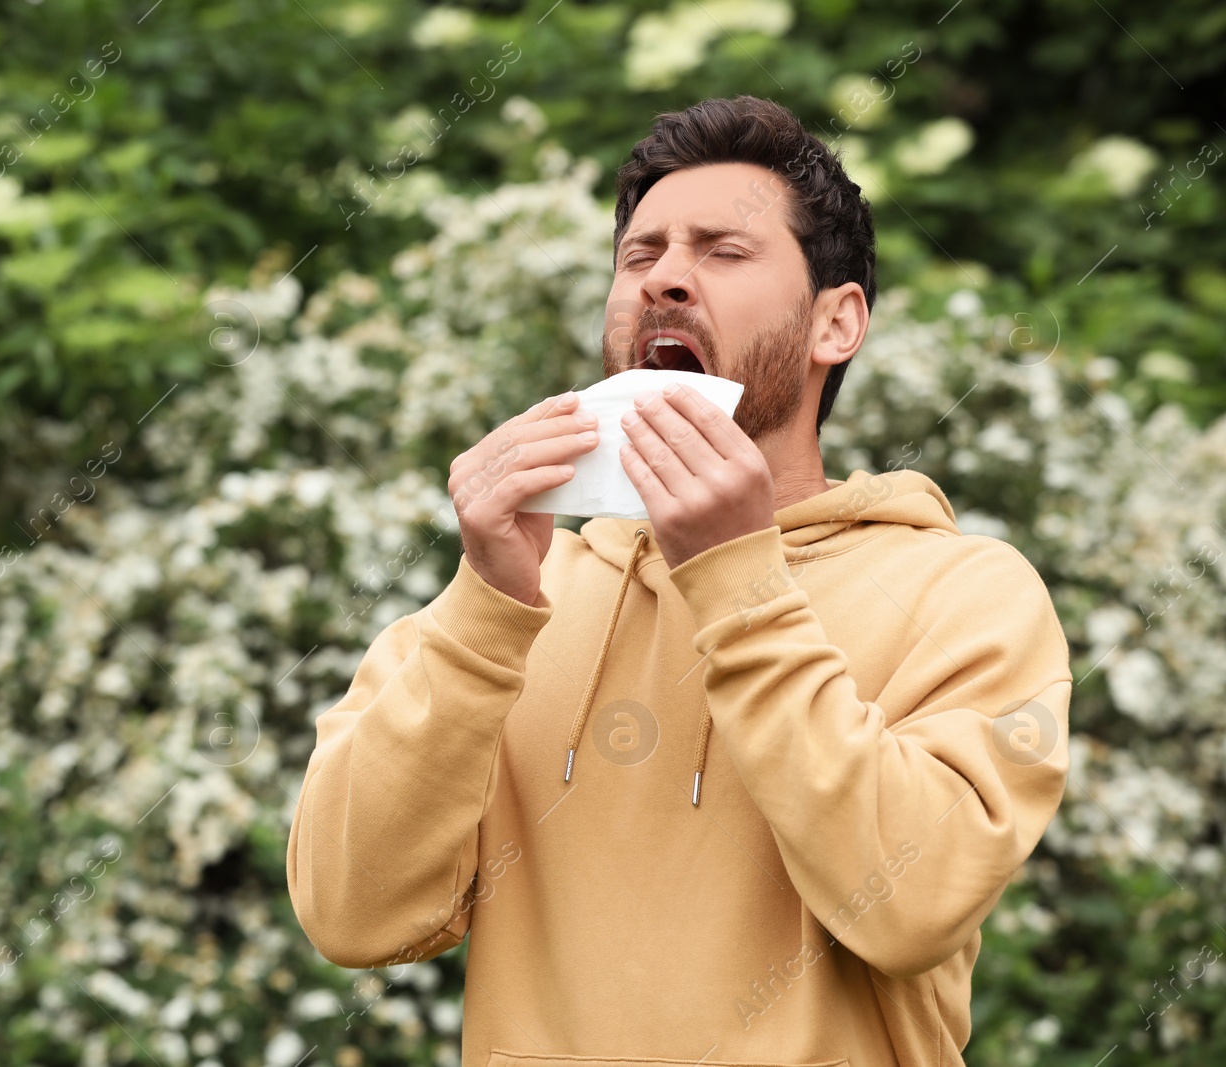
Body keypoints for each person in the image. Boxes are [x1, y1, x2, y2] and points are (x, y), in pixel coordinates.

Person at [286, 95, 1071, 1067]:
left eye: (723, 252)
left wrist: (735, 580)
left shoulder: (965, 593)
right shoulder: (510, 598)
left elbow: (911, 905)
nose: (664, 279)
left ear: (837, 322)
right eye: (639, 255)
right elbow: (350, 915)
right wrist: (486, 608)